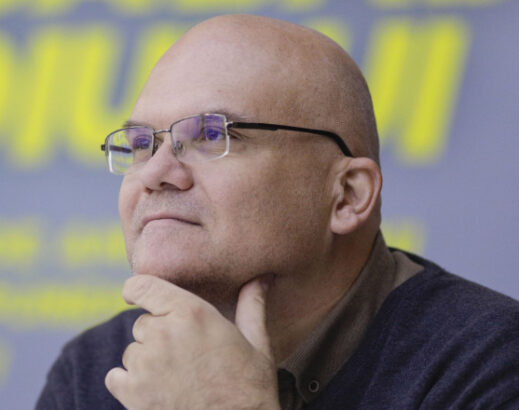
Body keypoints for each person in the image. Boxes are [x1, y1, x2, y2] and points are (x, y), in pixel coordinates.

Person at [36, 14, 519, 409]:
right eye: (142, 144)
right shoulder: (98, 369)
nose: (156, 173)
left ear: (348, 195)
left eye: (212, 135)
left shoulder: (492, 364)